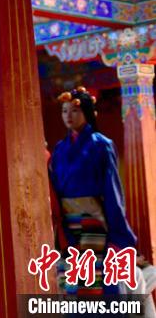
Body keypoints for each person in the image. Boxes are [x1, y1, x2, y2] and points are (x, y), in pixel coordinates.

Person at [50, 87, 137, 295]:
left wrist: (117, 232)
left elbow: (112, 189)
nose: (68, 116)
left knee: (99, 279)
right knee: (72, 281)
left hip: (95, 219)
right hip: (68, 224)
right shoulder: (59, 149)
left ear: (87, 113)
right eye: (64, 111)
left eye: (74, 111)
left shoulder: (102, 145)